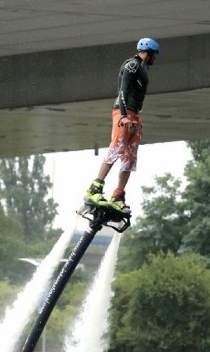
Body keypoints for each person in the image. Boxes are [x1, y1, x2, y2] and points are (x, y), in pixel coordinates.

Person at [83, 37, 161, 218]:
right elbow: (123, 91)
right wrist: (124, 116)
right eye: (154, 55)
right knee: (116, 147)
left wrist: (132, 118)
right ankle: (95, 187)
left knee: (130, 156)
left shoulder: (142, 68)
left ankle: (118, 195)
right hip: (123, 113)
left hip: (134, 115)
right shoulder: (132, 65)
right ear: (147, 52)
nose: (154, 59)